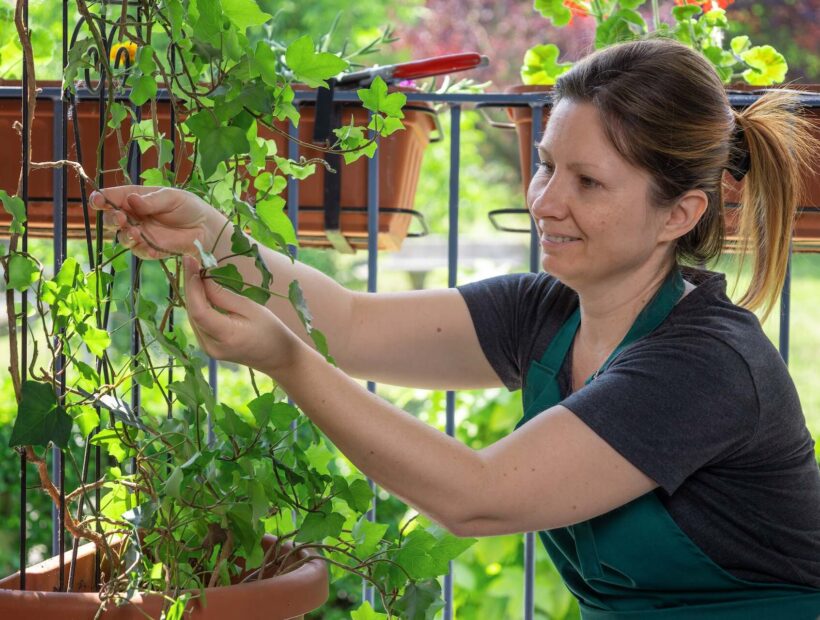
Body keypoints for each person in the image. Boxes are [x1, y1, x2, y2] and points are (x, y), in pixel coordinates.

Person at [93, 38, 820, 618]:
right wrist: (215, 236)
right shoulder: (547, 312)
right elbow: (348, 325)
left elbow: (479, 496)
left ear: (679, 215)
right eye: (545, 167)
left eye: (587, 182)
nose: (544, 202)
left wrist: (285, 361)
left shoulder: (705, 367)